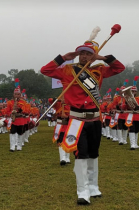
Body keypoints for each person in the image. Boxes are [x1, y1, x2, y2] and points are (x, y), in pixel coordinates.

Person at [41, 40, 125, 205]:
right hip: (76, 120)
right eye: (82, 53)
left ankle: (94, 186)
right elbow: (46, 70)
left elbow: (119, 68)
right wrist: (64, 57)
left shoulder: (99, 70)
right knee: (81, 155)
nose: (84, 56)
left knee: (94, 153)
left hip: (94, 119)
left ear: (93, 55)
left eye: (88, 53)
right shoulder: (67, 69)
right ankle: (83, 191)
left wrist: (102, 57)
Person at [122, 76, 139, 150]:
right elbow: (123, 107)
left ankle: (135, 143)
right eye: (132, 91)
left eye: (134, 91)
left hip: (137, 116)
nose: (133, 93)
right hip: (130, 115)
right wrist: (126, 103)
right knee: (131, 129)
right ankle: (132, 144)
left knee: (136, 130)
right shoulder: (126, 98)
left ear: (136, 92)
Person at [6, 79, 27, 152]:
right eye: (15, 94)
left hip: (20, 119)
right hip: (13, 119)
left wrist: (19, 109)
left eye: (18, 94)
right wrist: (11, 112)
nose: (17, 95)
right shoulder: (9, 102)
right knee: (12, 132)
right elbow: (7, 111)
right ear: (13, 94)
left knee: (20, 133)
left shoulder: (23, 102)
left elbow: (25, 111)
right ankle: (12, 147)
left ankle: (19, 146)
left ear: (20, 95)